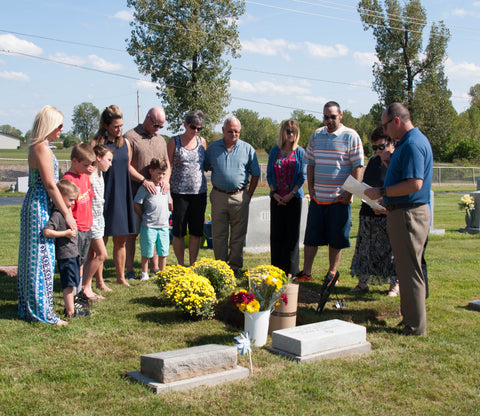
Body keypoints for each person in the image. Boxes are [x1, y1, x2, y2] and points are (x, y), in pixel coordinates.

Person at [364, 102, 432, 336]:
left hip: (409, 214)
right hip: (402, 210)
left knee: (410, 271)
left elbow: (415, 184)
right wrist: (387, 202)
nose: (384, 131)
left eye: (385, 125)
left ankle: (415, 326)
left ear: (397, 121)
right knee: (406, 270)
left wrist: (382, 193)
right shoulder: (408, 142)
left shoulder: (413, 144)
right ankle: (410, 320)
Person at [295, 101, 364, 286]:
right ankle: (306, 272)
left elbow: (357, 166)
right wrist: (311, 189)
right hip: (318, 198)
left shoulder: (351, 136)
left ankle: (332, 273)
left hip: (339, 200)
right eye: (326, 116)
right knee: (311, 238)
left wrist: (349, 193)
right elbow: (310, 163)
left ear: (340, 115)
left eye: (333, 116)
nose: (329, 120)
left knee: (336, 239)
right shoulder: (317, 135)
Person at [17, 105, 74, 326]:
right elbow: (50, 185)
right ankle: (42, 311)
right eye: (58, 125)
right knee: (41, 258)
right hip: (39, 204)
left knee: (37, 258)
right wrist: (66, 214)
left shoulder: (42, 146)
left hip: (39, 202)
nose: (61, 129)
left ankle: (31, 307)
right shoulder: (40, 147)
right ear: (49, 125)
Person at [204, 116, 260, 275]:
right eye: (230, 131)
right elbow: (204, 166)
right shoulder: (213, 148)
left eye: (237, 131)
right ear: (223, 130)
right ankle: (221, 268)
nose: (233, 134)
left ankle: (235, 268)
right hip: (218, 195)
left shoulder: (248, 149)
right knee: (218, 234)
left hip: (240, 196)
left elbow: (255, 174)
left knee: (238, 234)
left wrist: (248, 195)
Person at [350, 127, 398, 296]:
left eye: (381, 146)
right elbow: (367, 184)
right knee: (365, 249)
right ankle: (362, 283)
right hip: (368, 213)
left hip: (388, 213)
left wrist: (384, 205)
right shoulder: (373, 162)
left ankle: (394, 285)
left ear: (391, 143)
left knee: (390, 251)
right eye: (374, 148)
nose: (378, 151)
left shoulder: (397, 162)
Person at [91, 105, 135, 286]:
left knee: (121, 240)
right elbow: (91, 171)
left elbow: (128, 166)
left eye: (121, 126)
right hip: (103, 195)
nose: (119, 130)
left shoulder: (125, 143)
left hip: (122, 194)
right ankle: (100, 281)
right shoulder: (96, 145)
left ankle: (120, 278)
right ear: (106, 125)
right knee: (100, 239)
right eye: (116, 126)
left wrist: (146, 180)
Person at [125, 107, 170, 279]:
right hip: (136, 192)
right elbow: (126, 165)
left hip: (157, 195)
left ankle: (155, 267)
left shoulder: (160, 140)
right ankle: (130, 269)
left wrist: (165, 180)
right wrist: (143, 181)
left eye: (161, 126)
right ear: (148, 118)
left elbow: (167, 164)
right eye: (156, 125)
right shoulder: (130, 137)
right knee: (133, 234)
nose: (158, 129)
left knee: (155, 233)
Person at [43, 180, 91, 318]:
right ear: (60, 196)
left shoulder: (65, 213)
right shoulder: (57, 214)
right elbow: (47, 232)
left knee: (73, 282)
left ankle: (70, 307)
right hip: (66, 255)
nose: (72, 203)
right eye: (70, 200)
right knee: (69, 284)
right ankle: (70, 312)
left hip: (72, 254)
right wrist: (65, 234)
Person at [168, 110, 207, 266]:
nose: (195, 131)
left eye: (199, 128)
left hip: (199, 193)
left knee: (196, 231)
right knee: (178, 231)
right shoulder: (174, 142)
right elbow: (168, 167)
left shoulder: (202, 142)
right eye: (193, 127)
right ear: (185, 124)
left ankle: (192, 264)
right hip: (178, 193)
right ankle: (181, 264)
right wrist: (167, 194)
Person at [267, 120, 306, 277]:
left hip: (293, 199)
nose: (291, 134)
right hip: (276, 198)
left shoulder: (300, 152)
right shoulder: (274, 151)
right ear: (283, 132)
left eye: (294, 131)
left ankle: (291, 271)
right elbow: (269, 174)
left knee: (292, 236)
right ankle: (276, 270)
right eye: (288, 131)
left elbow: (302, 175)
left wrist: (291, 194)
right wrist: (275, 193)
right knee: (276, 235)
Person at [62, 143, 96, 293]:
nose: (87, 168)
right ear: (74, 161)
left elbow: (89, 198)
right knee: (74, 261)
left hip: (87, 226)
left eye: (90, 165)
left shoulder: (84, 177)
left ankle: (79, 290)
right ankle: (73, 292)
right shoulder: (68, 180)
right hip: (76, 228)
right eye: (85, 165)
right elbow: (66, 206)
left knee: (82, 260)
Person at [81, 144, 113, 297]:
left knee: (91, 255)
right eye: (108, 160)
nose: (110, 163)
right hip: (91, 220)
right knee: (102, 254)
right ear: (98, 158)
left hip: (99, 219)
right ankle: (85, 288)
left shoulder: (100, 174)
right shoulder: (91, 175)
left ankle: (87, 287)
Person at [134, 158, 172, 280]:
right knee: (147, 251)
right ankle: (144, 273)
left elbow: (169, 203)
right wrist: (142, 216)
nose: (161, 176)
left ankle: (162, 273)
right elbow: (136, 204)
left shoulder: (165, 187)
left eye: (163, 173)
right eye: (158, 173)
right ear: (151, 171)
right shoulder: (146, 187)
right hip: (149, 226)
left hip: (164, 226)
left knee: (163, 251)